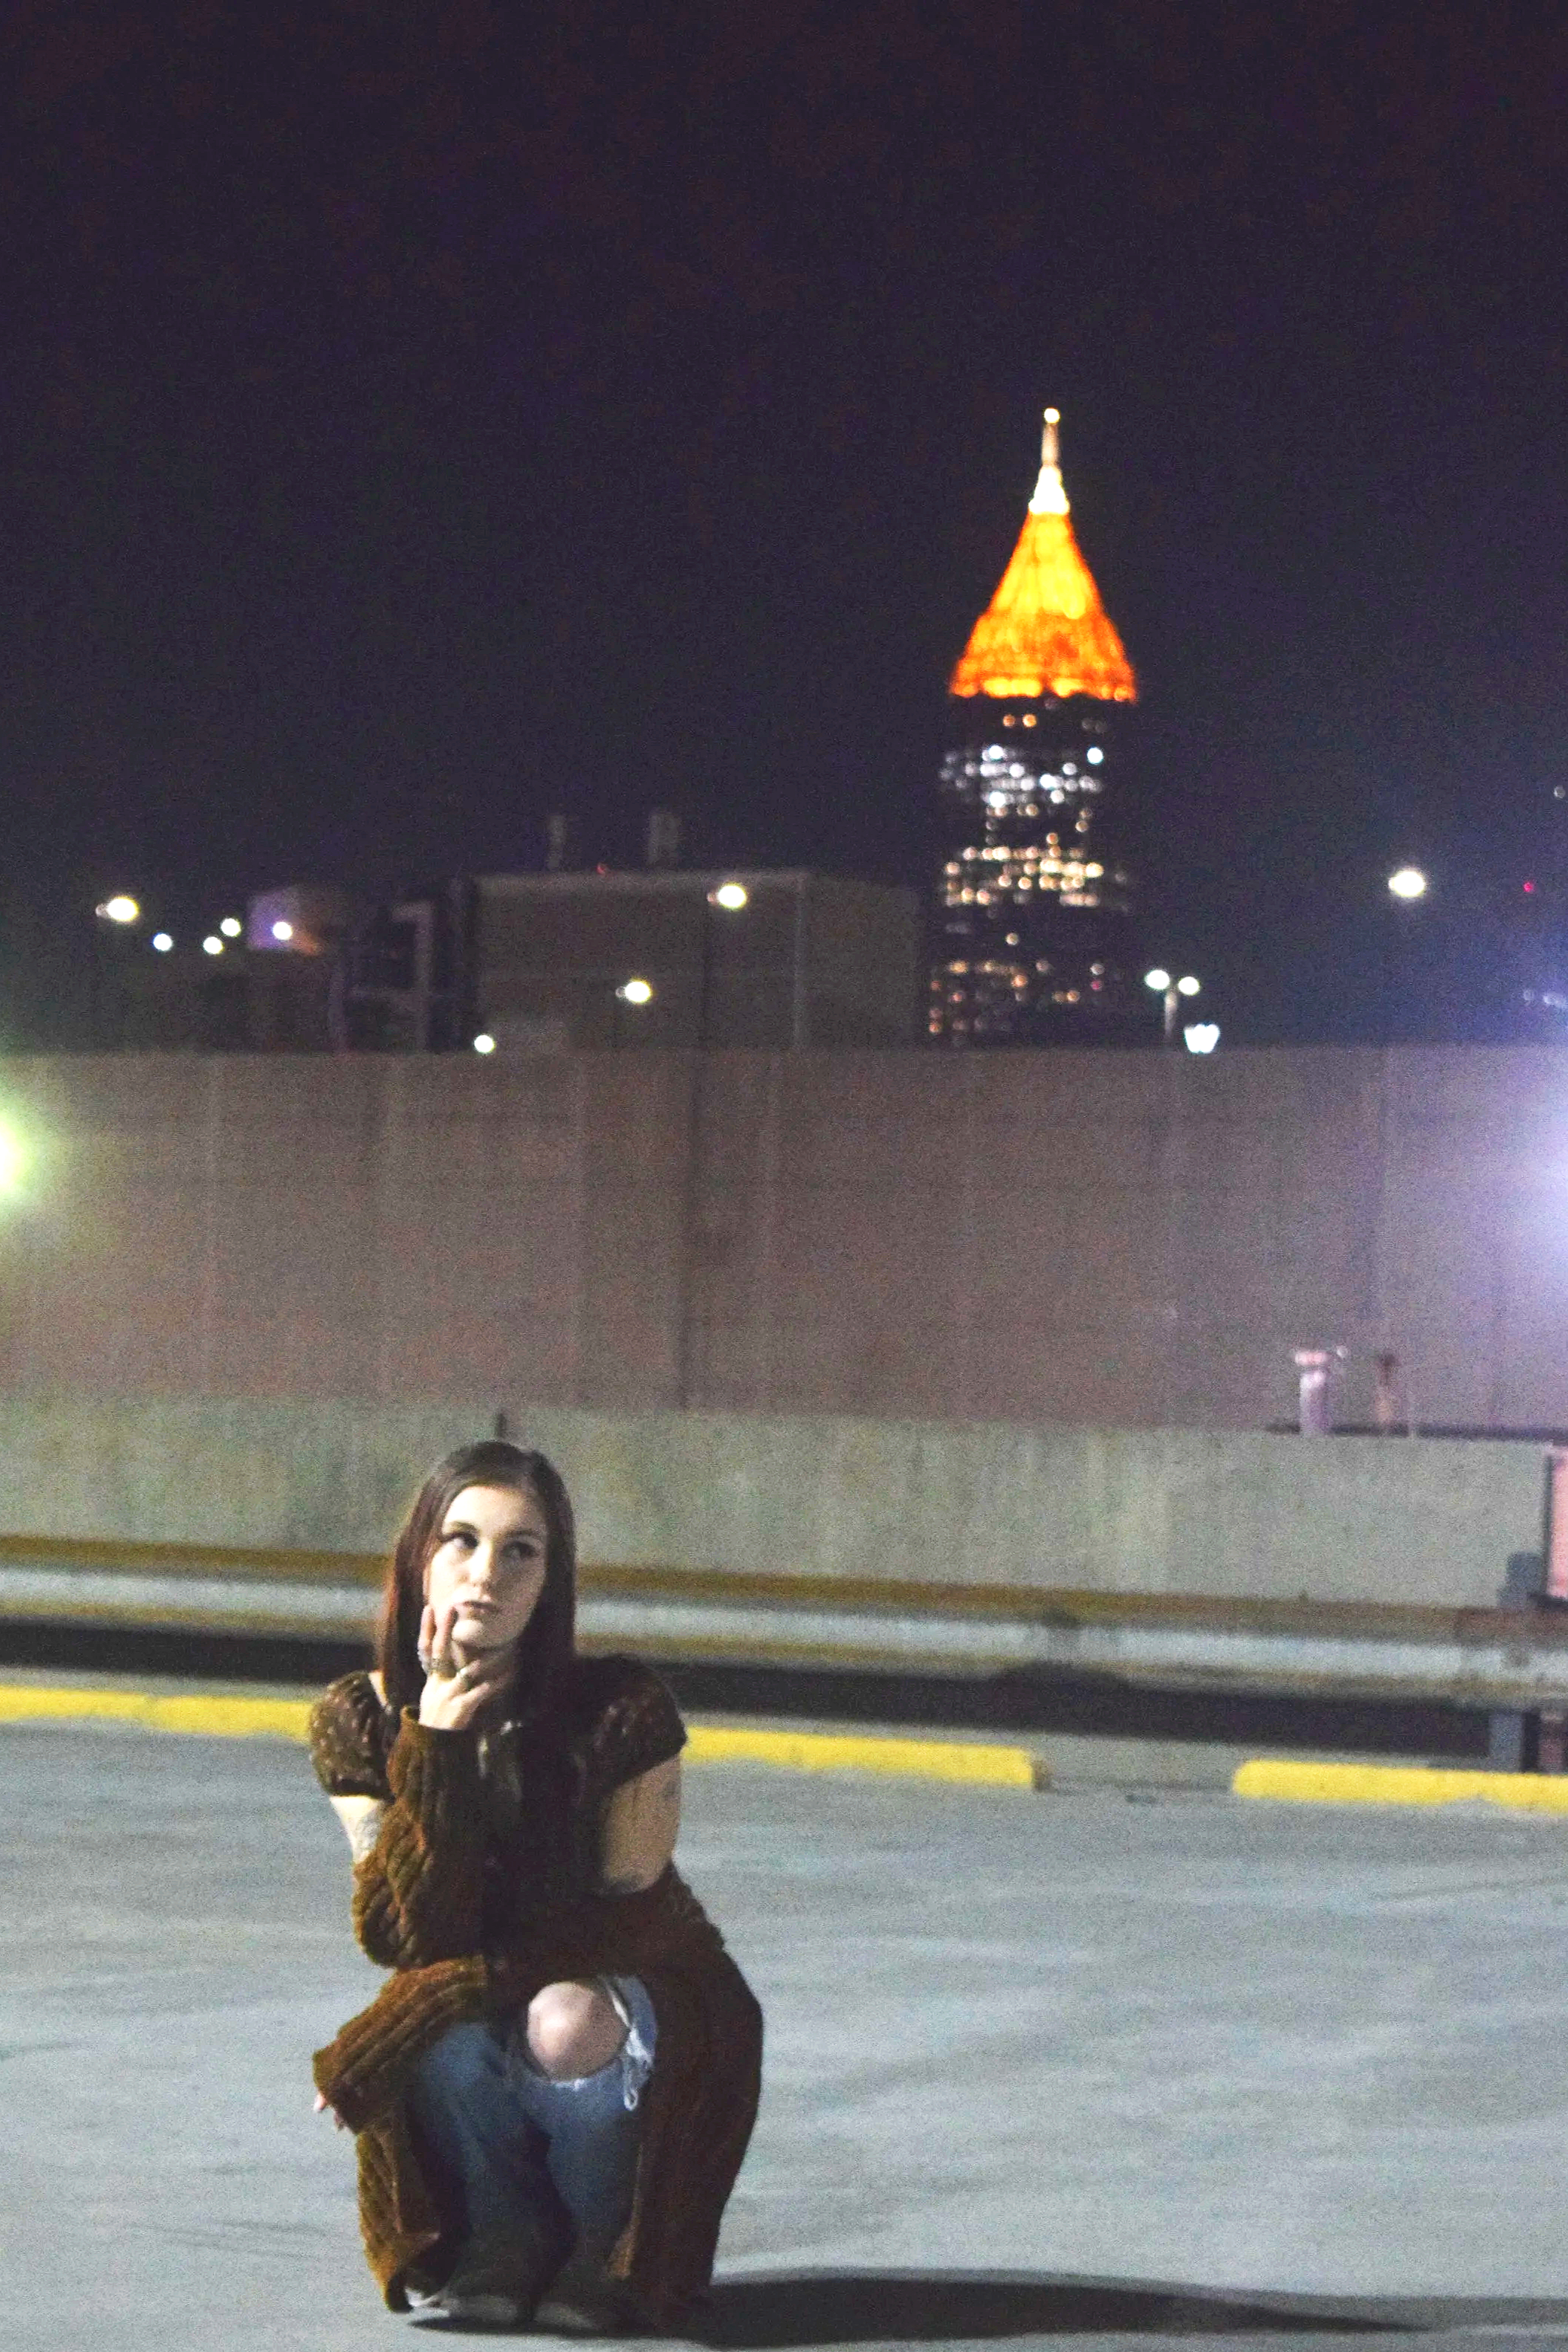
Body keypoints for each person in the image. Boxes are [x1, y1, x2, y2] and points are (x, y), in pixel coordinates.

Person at [308, 1439, 763, 2333]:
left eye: (522, 1550)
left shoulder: (618, 1708)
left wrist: (435, 1997)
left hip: (639, 1988)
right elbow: (405, 1936)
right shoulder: (358, 1718)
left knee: (557, 2019)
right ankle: (506, 2235)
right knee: (432, 2019)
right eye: (461, 1541)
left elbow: (619, 1923)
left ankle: (602, 2246)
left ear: (551, 1578)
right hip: (480, 1975)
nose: (486, 1573)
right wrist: (434, 1751)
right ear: (419, 1559)